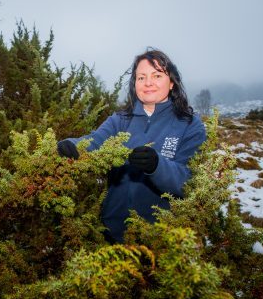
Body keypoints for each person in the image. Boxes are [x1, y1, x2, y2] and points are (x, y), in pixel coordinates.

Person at [57, 48, 206, 243]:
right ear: (134, 83)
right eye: (141, 77)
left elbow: (190, 181)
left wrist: (157, 166)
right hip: (111, 231)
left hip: (161, 236)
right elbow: (96, 140)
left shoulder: (189, 125)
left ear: (171, 83)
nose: (148, 83)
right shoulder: (120, 120)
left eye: (157, 75)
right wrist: (73, 146)